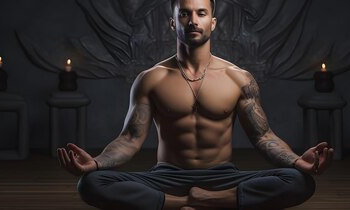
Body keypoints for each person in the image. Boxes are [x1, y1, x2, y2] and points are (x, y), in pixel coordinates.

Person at [57, 0, 334, 209]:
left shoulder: (238, 79)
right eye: (184, 13)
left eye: (201, 13)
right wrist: (95, 163)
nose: (193, 21)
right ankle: (183, 202)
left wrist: (297, 161)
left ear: (213, 22)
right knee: (90, 184)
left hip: (223, 176)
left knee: (299, 181)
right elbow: (130, 138)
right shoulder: (151, 79)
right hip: (166, 176)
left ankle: (200, 199)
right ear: (172, 22)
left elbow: (263, 136)